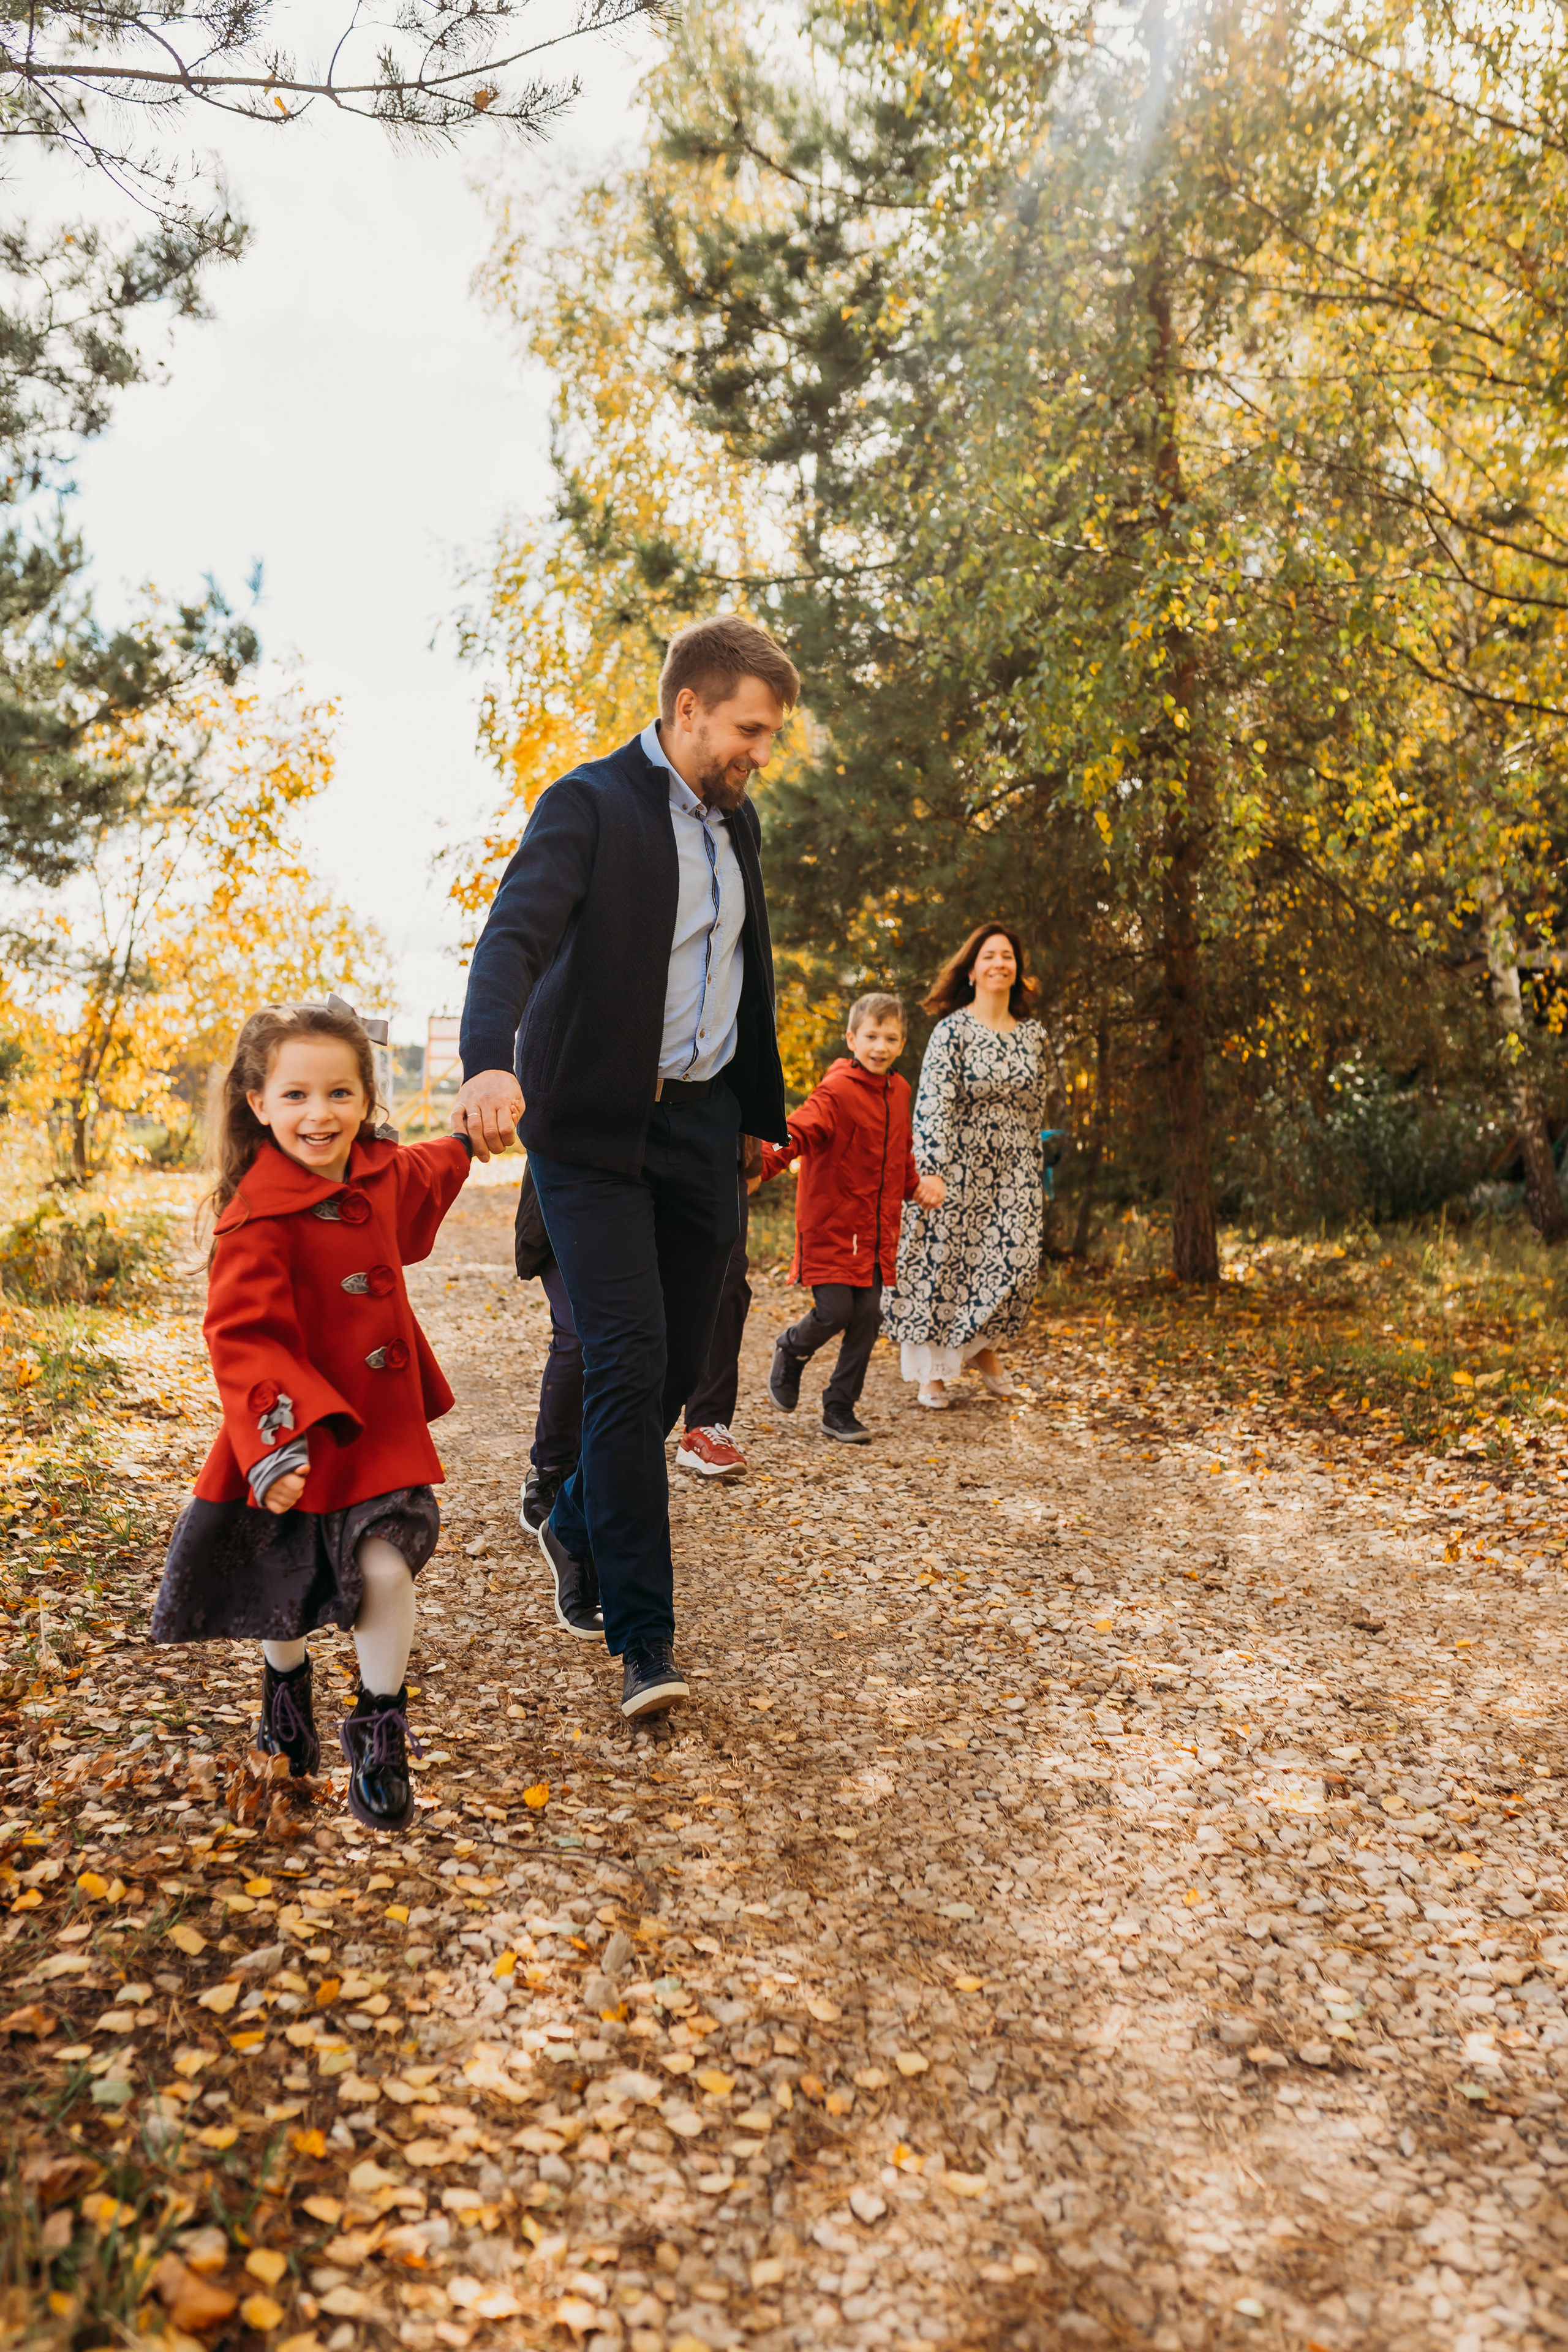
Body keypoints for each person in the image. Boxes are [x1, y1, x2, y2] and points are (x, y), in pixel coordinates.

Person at [454, 613, 795, 1719]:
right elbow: (516, 935)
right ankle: (645, 1639)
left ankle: (575, 1516)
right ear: (686, 708)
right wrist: (487, 1064)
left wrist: (757, 1114)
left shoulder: (735, 828)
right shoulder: (591, 804)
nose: (760, 752)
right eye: (748, 728)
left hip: (700, 1130)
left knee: (676, 1362)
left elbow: (744, 978)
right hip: (591, 1131)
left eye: (771, 734)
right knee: (625, 1352)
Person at [149, 998, 472, 1831]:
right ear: (258, 1102)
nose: (318, 1114)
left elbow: (432, 1166)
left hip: (379, 1433)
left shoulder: (382, 1173)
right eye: (295, 1096)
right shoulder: (255, 1221)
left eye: (338, 1094)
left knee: (383, 1571)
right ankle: (285, 1691)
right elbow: (241, 1335)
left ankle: (380, 1729)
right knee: (279, 1586)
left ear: (367, 1098)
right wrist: (275, 1446)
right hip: (287, 1435)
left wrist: (475, 1138)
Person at [515, 1142, 757, 1533]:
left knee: (668, 1343)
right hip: (580, 1168)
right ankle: (552, 1467)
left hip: (678, 1182)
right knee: (581, 1334)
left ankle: (611, 1470)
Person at [761, 992, 944, 1440]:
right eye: (871, 1036)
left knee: (869, 1316)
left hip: (878, 1232)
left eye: (891, 1038)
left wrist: (915, 1186)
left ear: (902, 1043)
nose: (880, 1046)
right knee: (834, 1310)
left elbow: (899, 1153)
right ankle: (791, 1349)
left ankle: (839, 1409)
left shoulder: (899, 1091)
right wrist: (760, 1164)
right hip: (833, 1225)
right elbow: (799, 1130)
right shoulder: (837, 1089)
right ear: (852, 1038)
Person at [885, 922, 1050, 1409]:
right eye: (990, 956)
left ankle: (981, 1347)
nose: (1000, 963)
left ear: (1017, 971)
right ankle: (933, 1373)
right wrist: (930, 1169)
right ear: (973, 970)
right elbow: (933, 1103)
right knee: (945, 1264)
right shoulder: (952, 1029)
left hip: (1015, 1168)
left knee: (1014, 1264)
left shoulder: (1034, 1035)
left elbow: (1037, 1107)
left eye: (1008, 956)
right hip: (956, 1163)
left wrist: (1033, 1174)